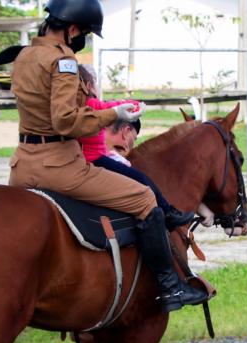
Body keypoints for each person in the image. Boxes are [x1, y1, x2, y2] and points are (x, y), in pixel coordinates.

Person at [7, 0, 208, 343]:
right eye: (84, 35)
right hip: (59, 163)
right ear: (74, 28)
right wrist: (114, 114)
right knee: (141, 196)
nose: (81, 42)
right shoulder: (63, 60)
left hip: (22, 164)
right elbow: (67, 122)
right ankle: (168, 285)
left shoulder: (24, 54)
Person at [76, 65, 195, 230]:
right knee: (142, 180)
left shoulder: (77, 107)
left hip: (89, 157)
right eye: (94, 82)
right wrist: (133, 104)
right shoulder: (91, 104)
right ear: (89, 86)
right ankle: (168, 213)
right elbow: (110, 105)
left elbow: (109, 105)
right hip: (96, 159)